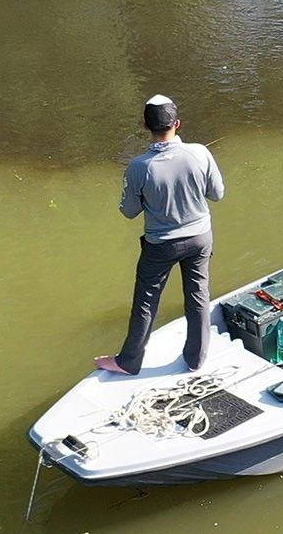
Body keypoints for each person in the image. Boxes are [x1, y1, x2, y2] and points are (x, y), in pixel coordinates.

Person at [97, 94, 226, 375]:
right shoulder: (200, 153)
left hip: (160, 245)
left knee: (145, 301)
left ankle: (129, 361)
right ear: (177, 123)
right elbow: (217, 194)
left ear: (145, 125)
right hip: (200, 238)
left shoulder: (138, 167)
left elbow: (128, 211)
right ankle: (196, 359)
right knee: (198, 295)